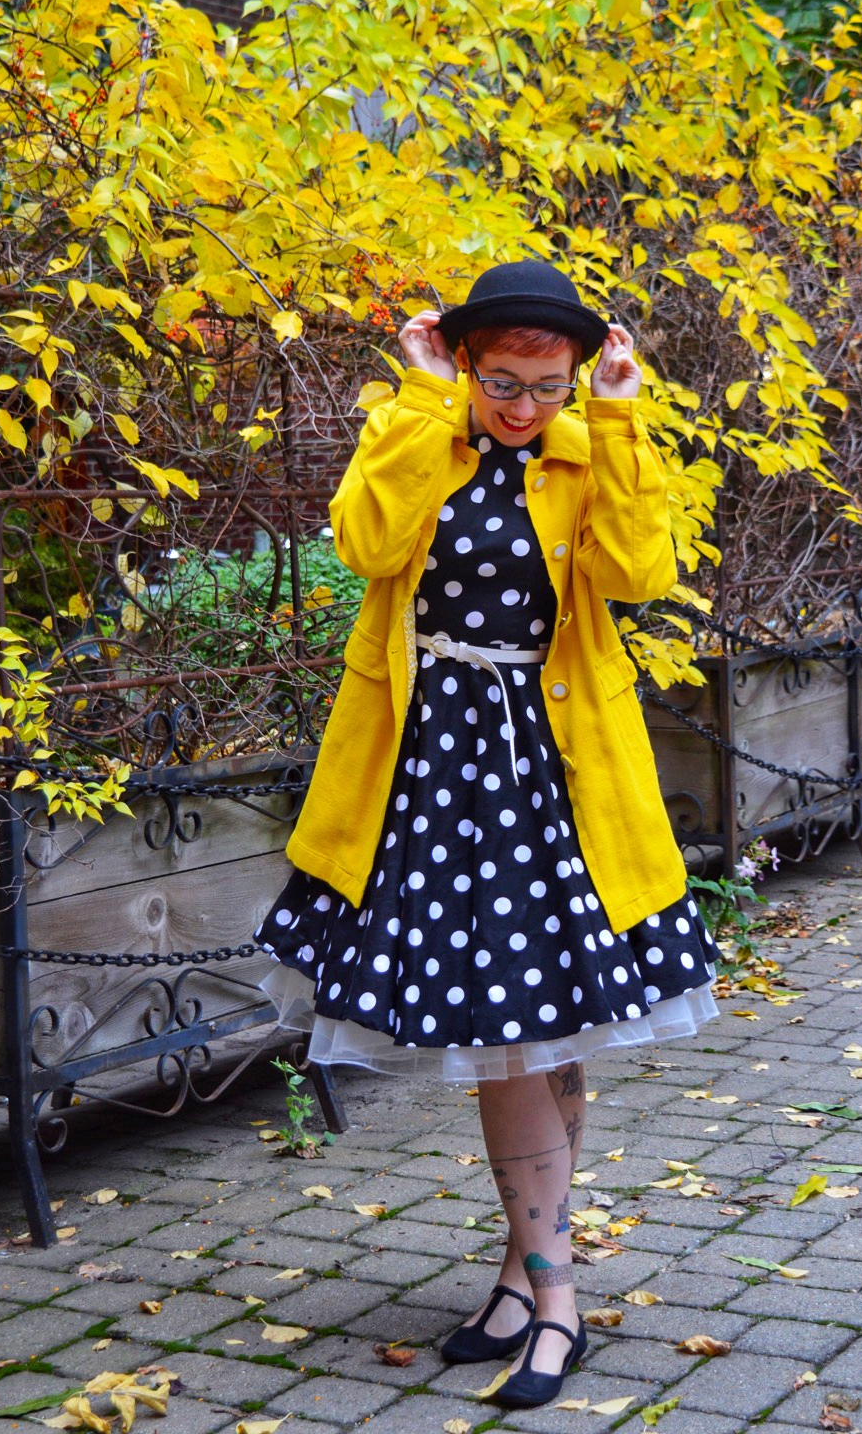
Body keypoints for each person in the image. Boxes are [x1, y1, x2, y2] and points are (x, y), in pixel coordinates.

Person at [254, 259, 720, 1408]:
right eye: (503, 381)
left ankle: (548, 1290)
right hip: (434, 770)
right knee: (514, 1026)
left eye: (548, 385)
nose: (523, 407)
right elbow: (364, 545)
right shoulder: (420, 430)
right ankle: (528, 1276)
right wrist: (419, 400)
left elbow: (641, 571)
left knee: (538, 1028)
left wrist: (613, 419)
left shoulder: (580, 444)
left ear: (574, 376)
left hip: (555, 770)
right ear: (463, 362)